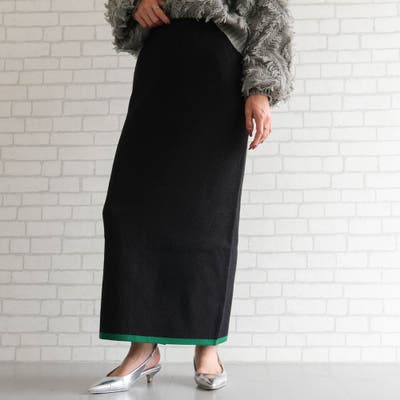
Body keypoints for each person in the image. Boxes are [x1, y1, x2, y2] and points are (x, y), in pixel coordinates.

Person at [88, 0, 294, 393]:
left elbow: (268, 12)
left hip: (217, 69)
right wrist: (136, 4)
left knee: (209, 212)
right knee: (129, 209)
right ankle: (143, 348)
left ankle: (207, 347)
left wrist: (261, 90)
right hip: (158, 67)